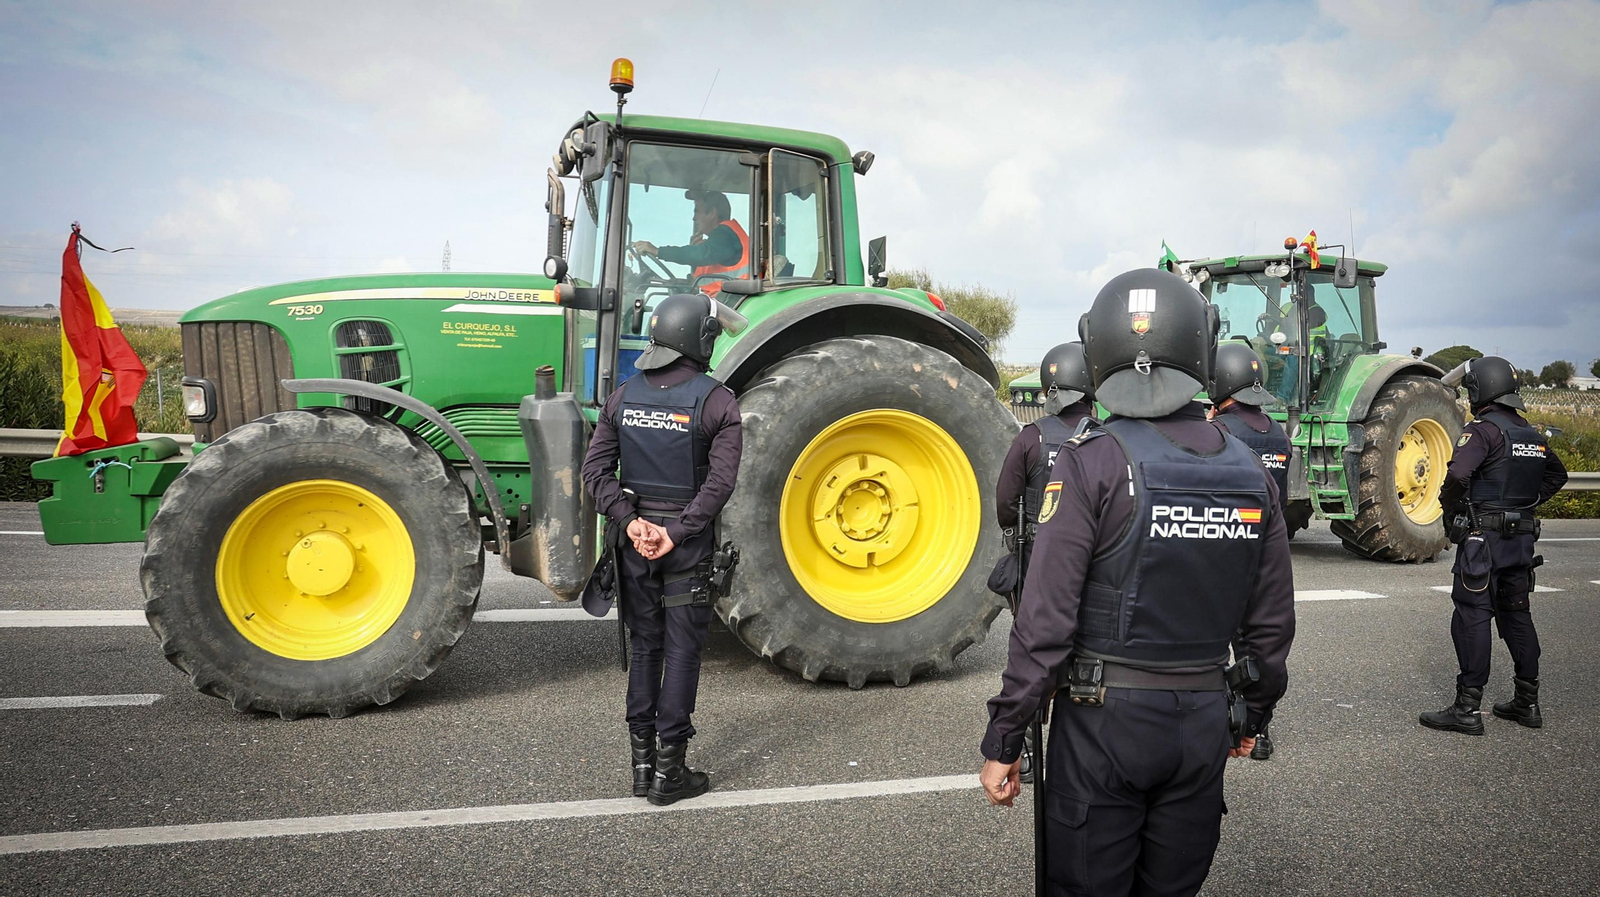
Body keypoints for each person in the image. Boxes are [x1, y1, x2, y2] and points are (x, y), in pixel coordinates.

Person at [979, 268, 1296, 897]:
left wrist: (1006, 735)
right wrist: (1252, 714)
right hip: (1203, 720)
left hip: (1104, 722)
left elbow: (1045, 621)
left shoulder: (1090, 461)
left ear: (1098, 347)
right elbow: (1271, 624)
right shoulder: (1249, 470)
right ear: (1201, 346)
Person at [581, 292, 743, 804]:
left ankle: (642, 767)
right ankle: (669, 775)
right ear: (701, 338)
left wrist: (631, 523)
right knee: (682, 652)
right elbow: (719, 485)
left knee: (646, 647)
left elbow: (595, 472)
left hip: (634, 545)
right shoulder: (718, 402)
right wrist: (675, 532)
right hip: (686, 547)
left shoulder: (622, 396)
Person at [1419, 355, 1566, 735]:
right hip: (1521, 541)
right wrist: (1524, 505)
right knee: (1517, 615)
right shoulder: (1531, 434)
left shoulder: (1483, 431)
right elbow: (1558, 475)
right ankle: (1527, 702)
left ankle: (1467, 709)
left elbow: (1458, 475)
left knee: (1472, 614)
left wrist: (1451, 509)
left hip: (1484, 542)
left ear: (1480, 390)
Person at [994, 341, 1098, 784]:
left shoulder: (1032, 437)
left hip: (1038, 561)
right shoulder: (1105, 438)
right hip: (1092, 564)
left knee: (1034, 650)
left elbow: (1005, 503)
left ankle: (1027, 743)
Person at [1208, 340, 1293, 763]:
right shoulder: (1277, 432)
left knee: (1215, 642)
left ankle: (1218, 720)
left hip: (1224, 545)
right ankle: (1258, 729)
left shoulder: (1221, 432)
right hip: (1265, 545)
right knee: (1258, 641)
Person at [631, 190, 751, 294]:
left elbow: (702, 254)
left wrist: (658, 251)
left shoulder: (725, 233)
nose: (694, 218)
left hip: (734, 300)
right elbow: (706, 275)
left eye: (697, 211)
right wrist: (690, 274)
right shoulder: (718, 244)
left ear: (712, 213)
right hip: (727, 299)